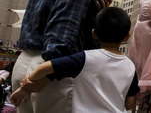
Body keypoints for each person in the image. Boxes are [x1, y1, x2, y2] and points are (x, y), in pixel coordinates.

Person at [12, 0, 107, 113]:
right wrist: (49, 74)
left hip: (24, 62)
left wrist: (90, 7)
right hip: (49, 69)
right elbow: (63, 29)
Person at [10, 7, 139, 112]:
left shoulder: (85, 58)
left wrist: (25, 89)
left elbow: (43, 68)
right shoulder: (130, 67)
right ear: (127, 37)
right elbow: (129, 103)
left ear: (94, 34)